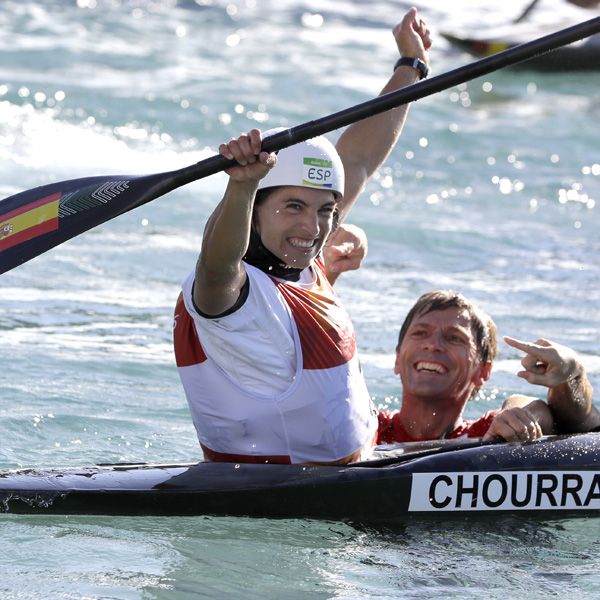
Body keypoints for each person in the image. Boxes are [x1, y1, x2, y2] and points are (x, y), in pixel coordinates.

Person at [173, 8, 432, 465]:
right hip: (293, 507)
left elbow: (358, 162)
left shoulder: (298, 255)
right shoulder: (230, 298)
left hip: (366, 469)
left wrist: (411, 66)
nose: (312, 230)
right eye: (293, 207)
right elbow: (216, 263)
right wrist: (241, 183)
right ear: (255, 209)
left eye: (325, 211)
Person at [376, 289, 598, 445]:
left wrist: (572, 377)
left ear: (483, 371)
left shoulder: (488, 435)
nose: (433, 345)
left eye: (454, 338)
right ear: (397, 359)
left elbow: (536, 409)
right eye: (420, 333)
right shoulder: (367, 428)